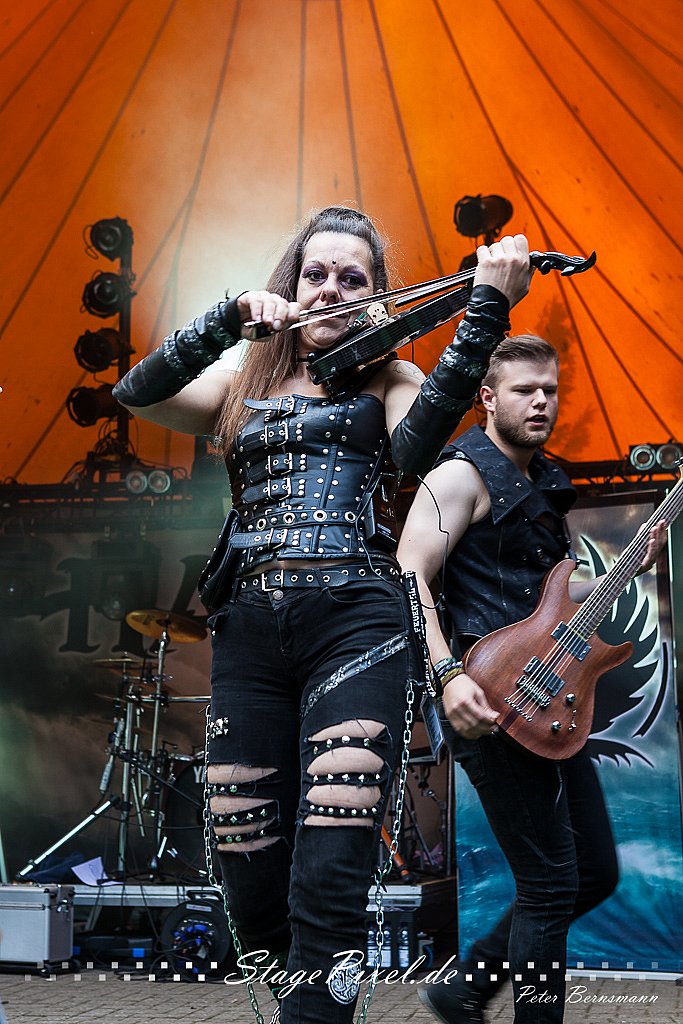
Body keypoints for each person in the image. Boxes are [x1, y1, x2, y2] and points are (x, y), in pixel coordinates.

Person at [112, 206, 533, 1024]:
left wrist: (485, 307)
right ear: (290, 284)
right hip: (248, 629)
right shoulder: (241, 384)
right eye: (315, 273)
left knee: (333, 852)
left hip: (357, 623)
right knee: (244, 863)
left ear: (375, 295)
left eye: (352, 277)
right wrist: (226, 319)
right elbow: (137, 393)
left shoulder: (390, 378)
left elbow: (414, 451)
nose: (331, 288)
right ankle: (304, 1004)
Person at [396, 334, 668, 1024]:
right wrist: (447, 674)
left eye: (549, 389)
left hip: (544, 698)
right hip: (486, 698)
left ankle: (462, 991)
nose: (541, 401)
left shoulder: (543, 482)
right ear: (488, 398)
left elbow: (539, 603)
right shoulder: (458, 476)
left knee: (592, 871)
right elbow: (408, 574)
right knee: (549, 882)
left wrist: (624, 570)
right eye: (524, 390)